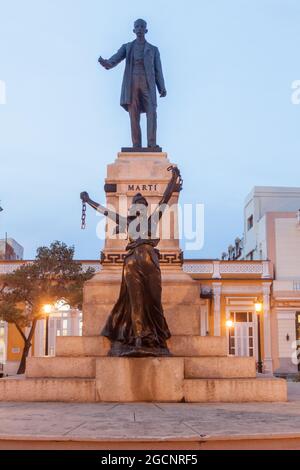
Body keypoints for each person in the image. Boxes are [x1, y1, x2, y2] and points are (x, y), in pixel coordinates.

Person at [80, 166, 182, 357]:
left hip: (149, 261)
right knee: (135, 302)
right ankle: (137, 339)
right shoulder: (128, 222)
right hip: (133, 261)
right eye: (137, 204)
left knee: (153, 301)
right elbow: (104, 212)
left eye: (142, 204)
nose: (140, 206)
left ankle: (155, 337)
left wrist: (174, 178)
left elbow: (166, 198)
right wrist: (88, 200)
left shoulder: (151, 220)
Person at [98, 19, 167, 149]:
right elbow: (116, 58)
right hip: (132, 83)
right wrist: (107, 63)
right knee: (133, 114)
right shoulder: (128, 47)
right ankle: (136, 145)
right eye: (137, 27)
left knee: (152, 112)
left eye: (142, 27)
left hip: (148, 83)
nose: (140, 29)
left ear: (146, 30)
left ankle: (152, 144)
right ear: (134, 30)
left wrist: (161, 87)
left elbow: (158, 70)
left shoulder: (153, 50)